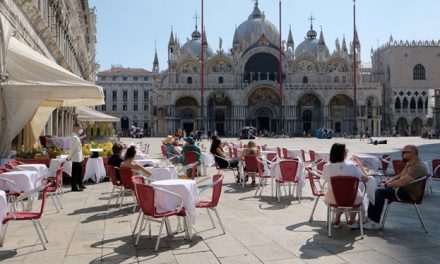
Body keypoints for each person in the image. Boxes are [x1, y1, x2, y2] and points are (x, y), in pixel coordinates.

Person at [365, 145, 428, 229]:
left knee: (379, 192)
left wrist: (387, 185)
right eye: (402, 152)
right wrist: (388, 181)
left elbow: (403, 182)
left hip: (410, 194)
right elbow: (399, 175)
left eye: (405, 152)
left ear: (414, 154)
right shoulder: (410, 163)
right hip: (404, 189)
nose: (402, 154)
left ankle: (375, 222)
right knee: (377, 190)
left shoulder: (418, 167)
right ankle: (370, 218)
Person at [321, 143, 370, 228]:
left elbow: (325, 178)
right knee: (356, 194)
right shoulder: (351, 166)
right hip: (350, 198)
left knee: (337, 192)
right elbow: (366, 179)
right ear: (344, 154)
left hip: (332, 198)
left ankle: (337, 219)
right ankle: (352, 221)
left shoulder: (326, 166)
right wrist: (359, 164)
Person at [68, 124, 85, 192]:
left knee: (79, 172)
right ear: (76, 128)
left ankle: (79, 185)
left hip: (78, 157)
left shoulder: (76, 136)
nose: (81, 130)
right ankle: (74, 187)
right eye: (80, 128)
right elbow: (72, 148)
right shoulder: (74, 137)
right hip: (76, 157)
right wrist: (69, 157)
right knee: (75, 173)